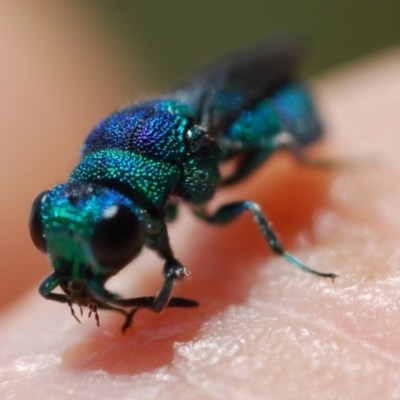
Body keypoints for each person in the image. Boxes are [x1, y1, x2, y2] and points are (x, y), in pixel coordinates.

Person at [1, 3, 400, 398]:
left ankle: (296, 216)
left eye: (115, 232)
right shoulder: (120, 175)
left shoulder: (172, 156)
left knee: (256, 182)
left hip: (281, 106)